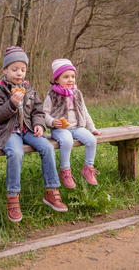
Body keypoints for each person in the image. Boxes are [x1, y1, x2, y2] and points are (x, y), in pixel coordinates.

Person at [0, 46, 68, 223]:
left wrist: (39, 125)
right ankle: (13, 197)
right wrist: (11, 104)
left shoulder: (29, 90)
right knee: (16, 153)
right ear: (5, 70)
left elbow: (38, 111)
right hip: (7, 132)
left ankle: (52, 191)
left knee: (47, 147)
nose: (19, 73)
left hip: (28, 130)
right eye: (14, 69)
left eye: (22, 70)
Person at [43, 58, 102, 189]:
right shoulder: (52, 95)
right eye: (66, 77)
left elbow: (85, 112)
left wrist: (92, 128)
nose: (70, 80)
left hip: (77, 127)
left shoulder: (77, 94)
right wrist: (52, 121)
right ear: (57, 80)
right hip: (60, 129)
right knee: (67, 141)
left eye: (72, 76)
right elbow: (44, 114)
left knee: (92, 140)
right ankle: (65, 171)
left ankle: (88, 168)